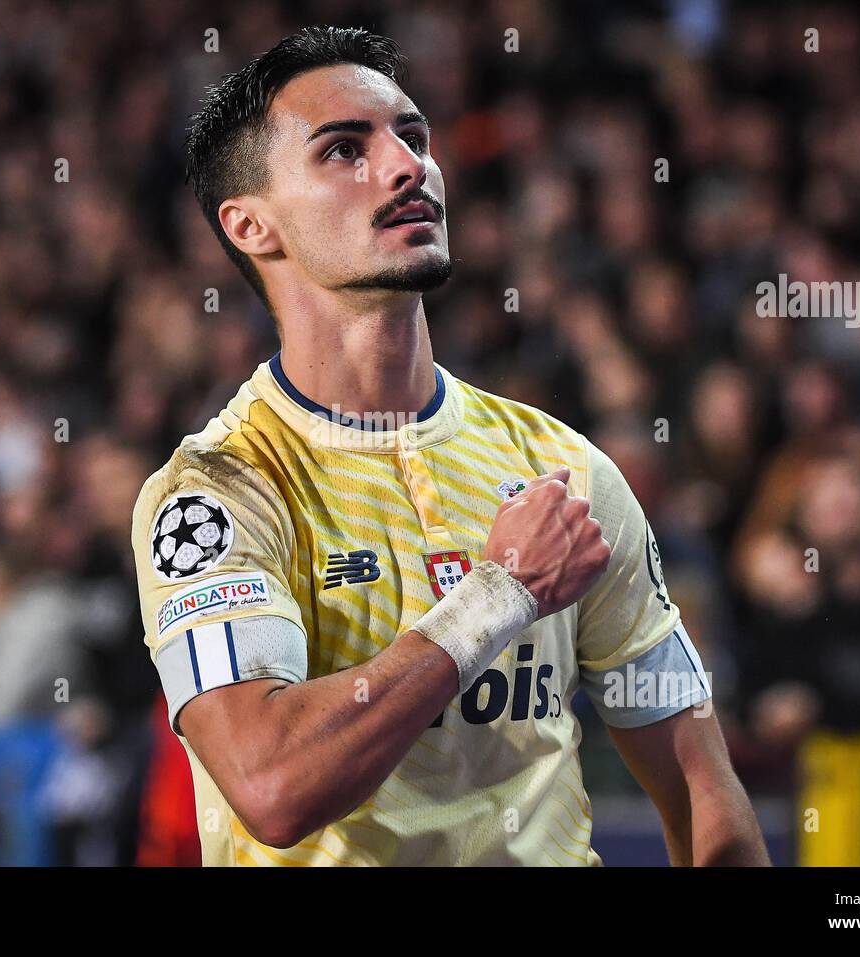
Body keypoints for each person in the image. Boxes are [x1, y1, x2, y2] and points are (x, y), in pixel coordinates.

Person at [131, 26, 769, 866]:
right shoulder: (217, 493)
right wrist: (498, 596)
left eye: (412, 137)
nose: (407, 168)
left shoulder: (568, 471)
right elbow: (271, 784)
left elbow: (697, 783)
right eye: (343, 151)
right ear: (252, 225)